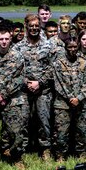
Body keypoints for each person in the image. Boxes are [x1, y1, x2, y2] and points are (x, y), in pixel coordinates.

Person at [15, 14, 57, 160]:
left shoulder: (48, 45)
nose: (34, 29)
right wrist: (27, 82)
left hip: (43, 90)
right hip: (24, 91)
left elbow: (53, 67)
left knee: (44, 120)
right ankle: (23, 149)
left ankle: (45, 149)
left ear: (40, 27)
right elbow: (15, 69)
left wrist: (40, 82)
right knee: (23, 120)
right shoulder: (18, 46)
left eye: (36, 26)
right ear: (26, 26)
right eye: (31, 26)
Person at [0, 27, 29, 169]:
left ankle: (16, 157)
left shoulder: (17, 56)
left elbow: (20, 78)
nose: (4, 42)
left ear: (10, 39)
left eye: (6, 39)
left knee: (15, 131)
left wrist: (4, 94)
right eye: (1, 39)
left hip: (12, 98)